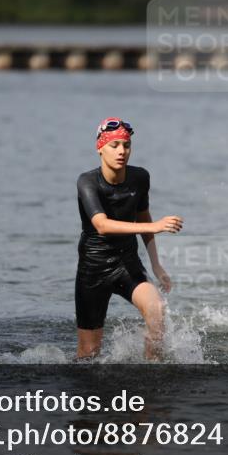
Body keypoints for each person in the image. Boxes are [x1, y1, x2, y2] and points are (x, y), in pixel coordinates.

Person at [75, 117, 183, 360]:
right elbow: (101, 225)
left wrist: (156, 264)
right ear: (100, 149)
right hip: (93, 270)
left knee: (157, 309)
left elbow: (143, 218)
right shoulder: (87, 182)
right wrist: (155, 226)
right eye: (114, 146)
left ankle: (150, 372)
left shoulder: (140, 178)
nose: (122, 151)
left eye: (126, 145)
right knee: (88, 354)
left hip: (127, 264)